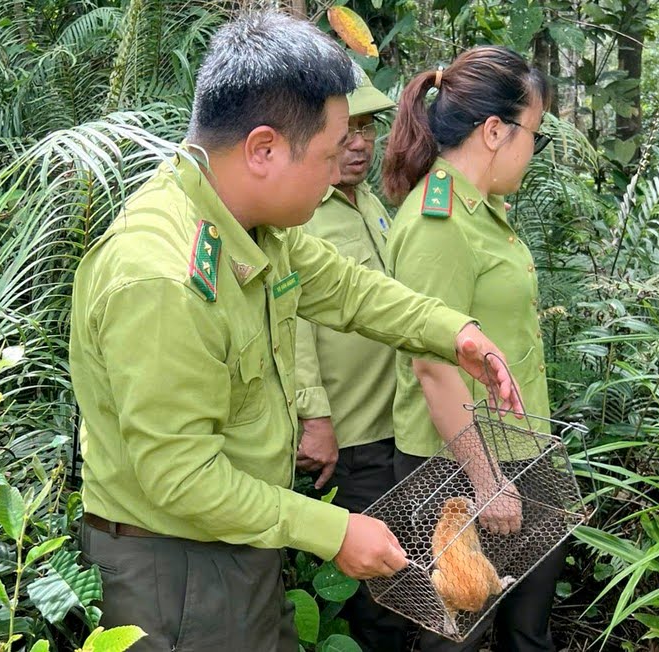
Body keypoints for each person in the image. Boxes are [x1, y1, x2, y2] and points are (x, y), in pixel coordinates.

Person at [69, 15, 522, 652]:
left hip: (240, 541)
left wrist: (457, 334)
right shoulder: (163, 279)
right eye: (332, 151)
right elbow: (180, 476)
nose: (346, 164)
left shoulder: (254, 227)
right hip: (177, 569)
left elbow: (348, 289)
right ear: (264, 149)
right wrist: (334, 532)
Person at [381, 46, 560, 652]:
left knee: (526, 630)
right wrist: (486, 481)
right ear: (493, 131)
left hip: (521, 453)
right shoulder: (440, 224)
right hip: (456, 470)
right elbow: (433, 367)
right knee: (454, 633)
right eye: (533, 133)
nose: (533, 150)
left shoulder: (485, 213)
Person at [293, 70, 411, 651]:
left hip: (397, 421)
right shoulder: (300, 213)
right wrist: (314, 416)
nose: (360, 142)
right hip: (349, 430)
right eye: (348, 129)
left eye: (368, 127)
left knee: (401, 567)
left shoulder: (372, 204)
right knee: (373, 591)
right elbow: (291, 323)